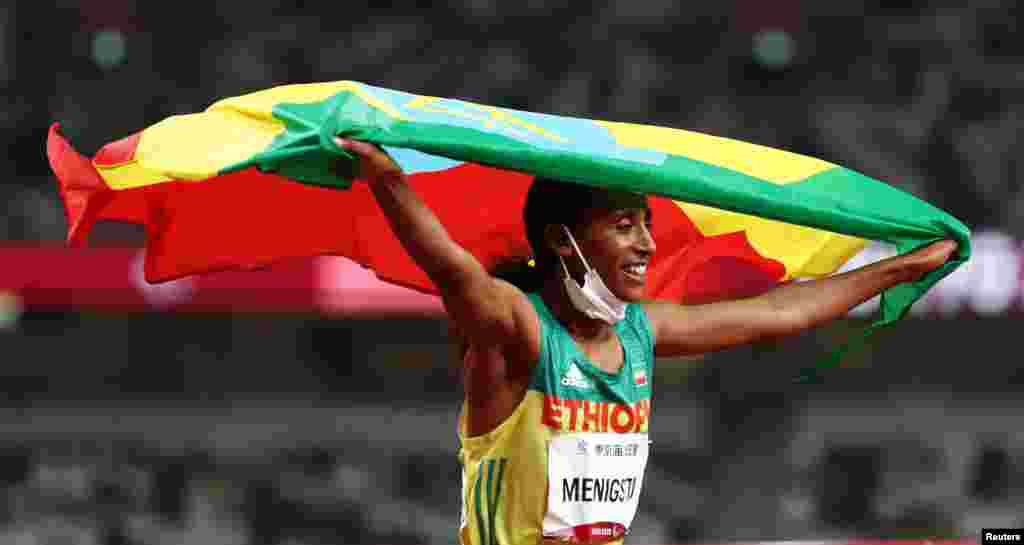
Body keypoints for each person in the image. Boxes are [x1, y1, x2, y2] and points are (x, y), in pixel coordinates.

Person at [335, 137, 957, 545]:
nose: (648, 246)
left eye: (648, 227)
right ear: (562, 242)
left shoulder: (641, 330)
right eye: (625, 226)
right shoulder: (516, 329)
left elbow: (777, 314)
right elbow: (452, 270)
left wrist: (896, 270)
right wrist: (387, 176)